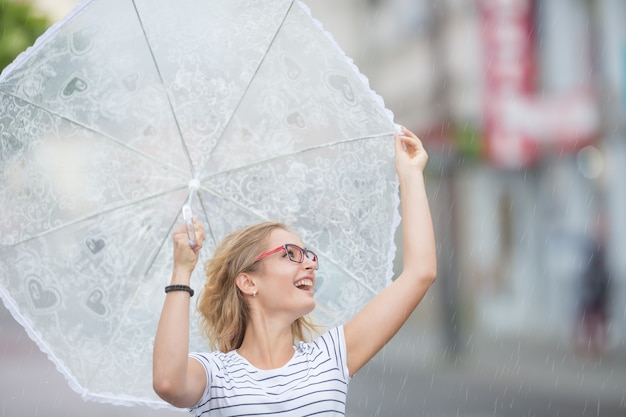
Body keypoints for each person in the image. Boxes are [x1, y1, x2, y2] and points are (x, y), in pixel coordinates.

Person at [152, 127, 437, 415]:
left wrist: (411, 175)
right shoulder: (215, 376)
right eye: (291, 254)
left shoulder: (330, 358)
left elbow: (420, 273)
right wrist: (182, 270)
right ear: (248, 282)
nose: (311, 263)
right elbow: (167, 382)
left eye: (308, 255)